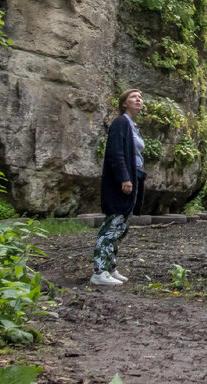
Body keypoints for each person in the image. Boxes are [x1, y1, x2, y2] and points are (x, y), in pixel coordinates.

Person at [91, 88, 146, 286]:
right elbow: (115, 153)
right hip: (121, 182)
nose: (138, 100)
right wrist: (124, 177)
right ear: (124, 103)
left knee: (121, 227)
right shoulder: (121, 122)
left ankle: (110, 268)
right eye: (133, 97)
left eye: (140, 97)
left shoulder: (132, 125)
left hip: (134, 178)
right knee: (112, 227)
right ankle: (99, 271)